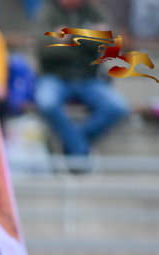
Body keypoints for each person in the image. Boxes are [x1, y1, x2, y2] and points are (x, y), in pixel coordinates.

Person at [34, 0, 131, 159]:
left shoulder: (94, 11)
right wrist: (87, 36)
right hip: (55, 77)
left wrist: (69, 37)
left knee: (117, 107)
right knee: (47, 103)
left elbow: (108, 43)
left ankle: (73, 144)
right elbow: (43, 49)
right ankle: (80, 149)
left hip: (88, 78)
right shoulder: (47, 12)